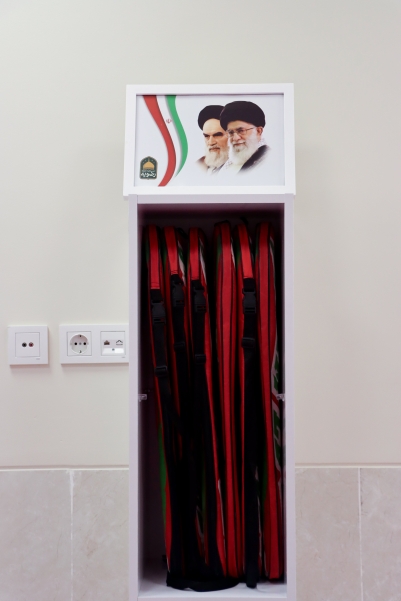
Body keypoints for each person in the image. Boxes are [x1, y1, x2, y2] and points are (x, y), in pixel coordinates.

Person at [219, 101, 268, 174]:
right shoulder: (224, 166)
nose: (235, 138)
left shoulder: (267, 161)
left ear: (258, 131)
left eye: (241, 131)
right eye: (231, 132)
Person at [196, 105, 229, 174]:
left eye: (217, 135)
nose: (211, 142)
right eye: (206, 136)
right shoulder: (197, 166)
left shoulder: (246, 166)